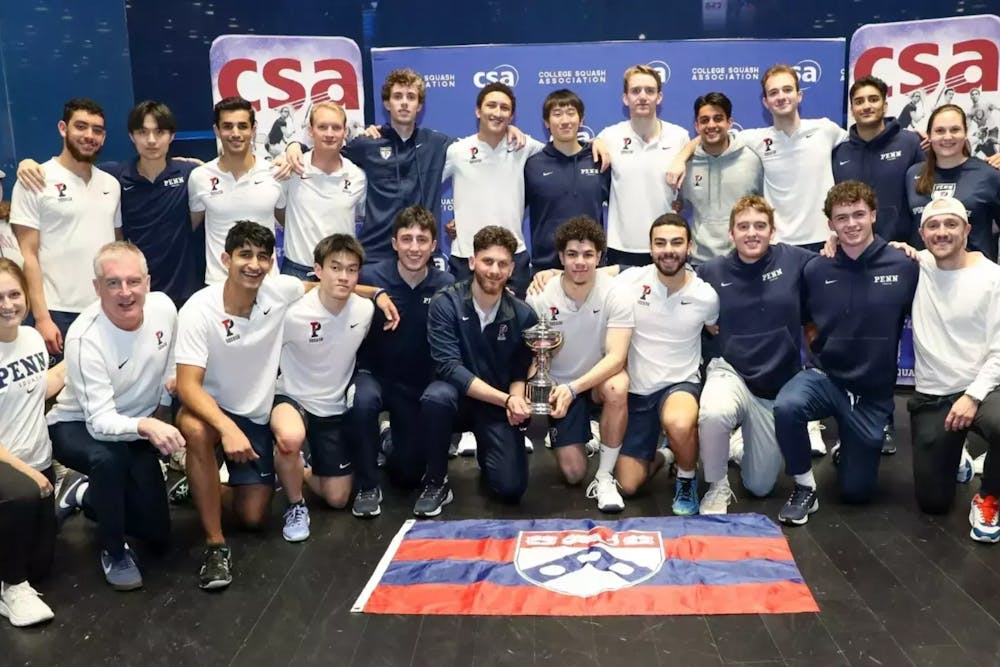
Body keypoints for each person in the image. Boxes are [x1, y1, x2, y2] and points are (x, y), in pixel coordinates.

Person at [774, 181, 918, 525]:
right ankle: (805, 488)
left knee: (856, 493)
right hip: (827, 379)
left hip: (872, 394)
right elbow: (807, 319)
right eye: (842, 218)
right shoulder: (816, 269)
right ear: (831, 225)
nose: (851, 224)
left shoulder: (904, 264)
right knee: (787, 406)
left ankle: (850, 445)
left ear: (873, 215)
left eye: (858, 215)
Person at [174, 221, 306, 590]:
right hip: (209, 410)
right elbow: (187, 385)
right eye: (245, 255)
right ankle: (215, 546)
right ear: (225, 259)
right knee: (198, 431)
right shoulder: (198, 309)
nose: (254, 264)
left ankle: (201, 486)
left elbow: (327, 286)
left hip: (255, 414)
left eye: (263, 256)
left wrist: (376, 296)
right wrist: (227, 428)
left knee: (252, 516)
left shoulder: (279, 292)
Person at [284, 69, 528, 265]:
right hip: (376, 256)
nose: (404, 103)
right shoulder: (368, 143)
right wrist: (294, 145)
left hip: (420, 253)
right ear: (387, 104)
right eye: (397, 97)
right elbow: (328, 149)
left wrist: (506, 130)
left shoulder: (439, 144)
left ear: (419, 106)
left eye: (411, 97)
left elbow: (482, 147)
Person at [47, 242, 182, 590]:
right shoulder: (84, 337)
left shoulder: (164, 308)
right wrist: (147, 425)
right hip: (77, 425)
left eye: (133, 281)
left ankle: (84, 495)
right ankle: (113, 550)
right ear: (97, 287)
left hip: (134, 426)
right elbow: (100, 423)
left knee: (157, 534)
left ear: (148, 282)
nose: (125, 292)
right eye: (113, 283)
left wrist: (165, 404)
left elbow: (169, 361)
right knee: (108, 459)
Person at [16, 101, 202, 307]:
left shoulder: (191, 173)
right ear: (132, 136)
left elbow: (195, 216)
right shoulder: (115, 177)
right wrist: (27, 164)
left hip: (183, 291)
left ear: (171, 136)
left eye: (159, 132)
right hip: (130, 295)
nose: (151, 140)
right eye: (142, 132)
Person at [695, 196, 814, 514]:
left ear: (772, 231)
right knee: (714, 413)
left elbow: (840, 259)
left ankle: (736, 445)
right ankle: (717, 486)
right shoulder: (710, 271)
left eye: (760, 226)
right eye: (743, 226)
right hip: (730, 370)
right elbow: (665, 278)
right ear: (731, 234)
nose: (752, 233)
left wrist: (902, 247)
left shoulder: (796, 261)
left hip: (774, 386)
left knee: (760, 487)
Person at [419, 226, 538, 514]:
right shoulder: (445, 303)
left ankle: (490, 448)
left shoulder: (523, 314)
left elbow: (520, 369)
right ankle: (437, 482)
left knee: (510, 489)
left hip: (494, 408)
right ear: (472, 262)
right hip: (455, 401)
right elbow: (449, 367)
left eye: (502, 264)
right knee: (436, 397)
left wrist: (517, 400)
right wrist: (506, 400)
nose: (494, 270)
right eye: (487, 261)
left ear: (511, 269)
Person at [352, 206, 455, 515]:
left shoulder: (445, 283)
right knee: (362, 400)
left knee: (407, 474)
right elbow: (327, 287)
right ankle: (367, 486)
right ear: (394, 242)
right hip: (375, 375)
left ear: (434, 245)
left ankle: (387, 439)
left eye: (422, 240)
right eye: (406, 239)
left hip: (416, 384)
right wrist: (374, 294)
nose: (414, 247)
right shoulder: (371, 275)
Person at [908, 197, 1000, 543]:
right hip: (933, 394)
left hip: (985, 389)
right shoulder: (917, 264)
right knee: (933, 503)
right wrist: (830, 241)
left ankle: (989, 496)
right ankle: (956, 456)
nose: (942, 232)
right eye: (933, 226)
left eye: (951, 224)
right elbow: (867, 247)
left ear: (968, 230)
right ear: (922, 233)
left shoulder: (992, 278)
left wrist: (973, 396)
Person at [271, 234, 374, 541]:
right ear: (317, 269)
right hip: (291, 396)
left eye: (352, 269)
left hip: (333, 407)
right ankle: (295, 503)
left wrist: (379, 294)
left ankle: (296, 469)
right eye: (335, 267)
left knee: (339, 498)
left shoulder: (365, 311)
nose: (344, 276)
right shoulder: (292, 312)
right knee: (290, 437)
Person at [615, 213, 719, 513]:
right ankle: (668, 456)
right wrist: (550, 275)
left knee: (678, 421)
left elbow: (715, 329)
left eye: (676, 242)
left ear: (689, 246)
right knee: (627, 485)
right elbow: (592, 274)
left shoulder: (705, 296)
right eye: (660, 243)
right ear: (650, 248)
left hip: (680, 385)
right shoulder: (629, 281)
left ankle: (686, 479)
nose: (668, 250)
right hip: (638, 392)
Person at [525, 216, 630, 512]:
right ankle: (583, 432)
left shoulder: (616, 292)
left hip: (595, 383)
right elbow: (534, 357)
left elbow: (617, 357)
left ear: (599, 256)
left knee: (617, 385)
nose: (580, 262)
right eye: (572, 255)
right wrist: (535, 392)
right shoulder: (539, 296)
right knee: (572, 474)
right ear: (560, 257)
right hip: (559, 387)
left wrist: (574, 389)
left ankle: (605, 477)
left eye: (587, 254)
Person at [9, 98, 122, 360]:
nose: (89, 136)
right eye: (81, 126)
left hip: (106, 308)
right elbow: (28, 255)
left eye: (97, 130)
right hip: (58, 313)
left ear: (104, 137)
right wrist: (42, 317)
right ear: (63, 128)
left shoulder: (111, 184)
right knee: (60, 395)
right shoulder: (35, 180)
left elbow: (116, 246)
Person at [0, 259, 64, 626]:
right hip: (11, 468)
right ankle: (12, 589)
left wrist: (81, 359)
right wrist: (27, 473)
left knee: (41, 566)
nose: (8, 304)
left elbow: (38, 391)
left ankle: (74, 494)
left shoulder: (31, 340)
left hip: (38, 462)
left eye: (14, 294)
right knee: (21, 494)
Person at [443, 82, 545, 297]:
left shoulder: (524, 145)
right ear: (478, 111)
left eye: (504, 108)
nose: (497, 113)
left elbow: (561, 153)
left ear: (512, 116)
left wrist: (596, 143)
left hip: (513, 256)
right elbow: (426, 186)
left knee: (513, 326)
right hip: (466, 256)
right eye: (491, 106)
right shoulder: (457, 151)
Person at [597, 65, 691, 268]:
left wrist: (684, 153)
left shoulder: (679, 137)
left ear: (659, 97)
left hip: (666, 245)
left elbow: (704, 143)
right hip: (621, 246)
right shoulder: (608, 136)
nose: (642, 96)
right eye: (635, 90)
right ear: (625, 98)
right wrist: (594, 142)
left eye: (649, 91)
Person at [188, 97, 286, 284]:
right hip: (218, 285)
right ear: (216, 130)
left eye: (242, 126)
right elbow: (189, 228)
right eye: (227, 126)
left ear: (253, 129)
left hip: (267, 283)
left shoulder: (275, 174)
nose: (235, 133)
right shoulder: (199, 177)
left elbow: (290, 222)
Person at [523, 89, 610, 272]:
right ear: (546, 122)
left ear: (581, 119)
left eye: (571, 113)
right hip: (545, 269)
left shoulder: (599, 160)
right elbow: (511, 210)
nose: (565, 121)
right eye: (557, 114)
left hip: (591, 265)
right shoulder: (532, 165)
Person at [833, 76, 925, 245]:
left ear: (885, 106)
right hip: (854, 252)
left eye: (873, 99)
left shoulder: (910, 143)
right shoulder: (839, 153)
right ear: (852, 110)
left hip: (904, 249)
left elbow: (924, 199)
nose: (867, 106)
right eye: (859, 102)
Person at [280, 102, 366, 280]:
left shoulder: (357, 176)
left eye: (336, 128)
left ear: (345, 133)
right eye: (322, 127)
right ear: (310, 131)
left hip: (340, 273)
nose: (329, 134)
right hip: (297, 270)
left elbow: (363, 218)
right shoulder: (292, 169)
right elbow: (277, 208)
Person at [906, 105, 1000, 261]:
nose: (947, 137)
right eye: (940, 131)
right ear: (929, 135)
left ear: (965, 134)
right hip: (924, 277)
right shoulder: (912, 175)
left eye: (955, 130)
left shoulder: (989, 175)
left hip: (974, 278)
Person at [678, 92, 762, 265]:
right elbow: (677, 205)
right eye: (704, 120)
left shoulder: (752, 160)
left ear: (729, 123)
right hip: (699, 261)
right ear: (696, 125)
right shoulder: (687, 165)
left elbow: (767, 208)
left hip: (744, 260)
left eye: (718, 118)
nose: (711, 125)